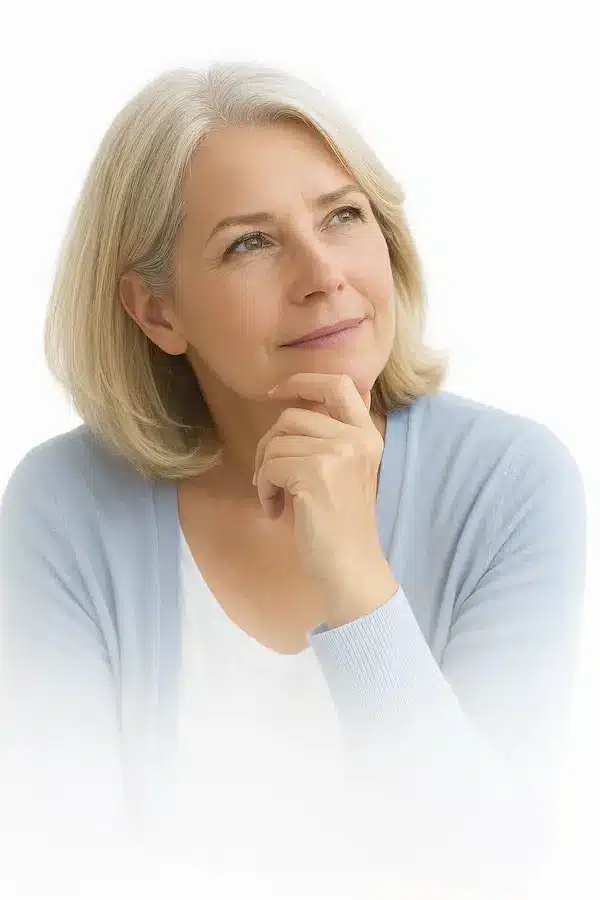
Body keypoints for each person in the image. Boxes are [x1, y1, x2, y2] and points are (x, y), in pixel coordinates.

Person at [0, 61, 587, 895]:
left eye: (342, 216)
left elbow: (489, 868)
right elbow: (54, 861)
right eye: (251, 242)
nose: (323, 275)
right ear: (156, 311)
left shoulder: (512, 484)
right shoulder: (63, 504)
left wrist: (355, 577)